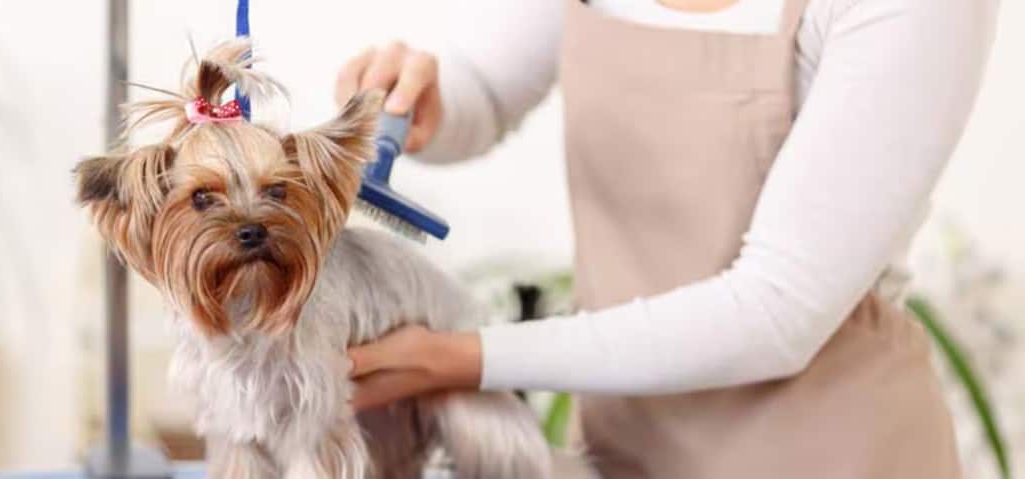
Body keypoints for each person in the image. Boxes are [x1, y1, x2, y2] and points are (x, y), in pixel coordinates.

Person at [335, 0, 1000, 477]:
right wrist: (424, 100)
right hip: (624, 448)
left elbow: (775, 311)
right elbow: (484, 90)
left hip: (831, 452)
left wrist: (459, 357)